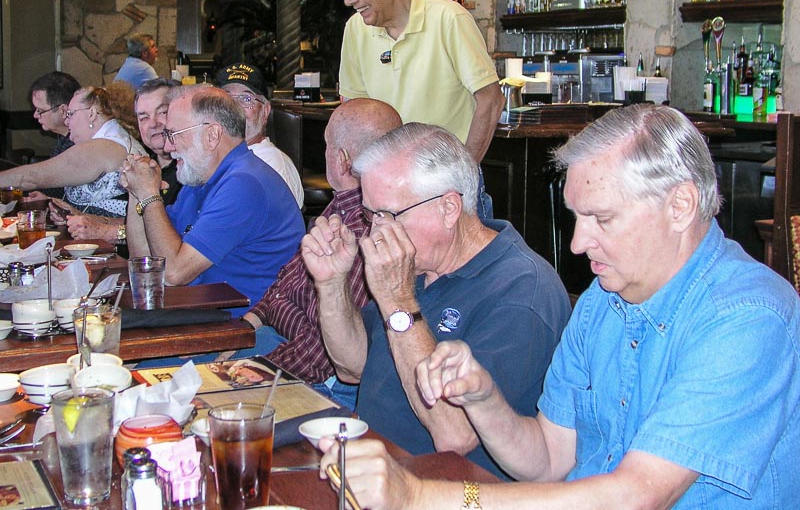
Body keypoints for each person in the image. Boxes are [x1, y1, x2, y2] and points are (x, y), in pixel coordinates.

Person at [318, 105, 800, 509]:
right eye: (576, 217)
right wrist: (485, 400)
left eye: (601, 218)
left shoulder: (749, 316)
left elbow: (635, 496)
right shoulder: (602, 302)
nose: (576, 243)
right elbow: (548, 457)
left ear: (680, 206)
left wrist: (420, 496)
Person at [303, 122, 571, 477]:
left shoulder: (522, 293)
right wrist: (332, 283)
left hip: (448, 489)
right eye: (371, 215)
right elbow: (351, 367)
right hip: (371, 468)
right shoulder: (418, 264)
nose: (376, 232)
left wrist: (398, 302)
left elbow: (455, 433)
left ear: (449, 208)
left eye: (390, 215)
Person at [239, 98, 403, 409]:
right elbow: (284, 281)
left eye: (327, 146)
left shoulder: (367, 225)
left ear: (341, 160)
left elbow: (319, 358)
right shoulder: (341, 203)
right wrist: (248, 325)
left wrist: (246, 371)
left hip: (307, 377)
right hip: (269, 337)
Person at [121, 85, 305, 317]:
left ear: (212, 135)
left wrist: (149, 194)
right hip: (200, 315)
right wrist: (135, 192)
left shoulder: (245, 185)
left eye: (174, 135)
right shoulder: (200, 179)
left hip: (241, 333)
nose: (168, 147)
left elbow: (175, 273)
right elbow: (146, 263)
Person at [333, 0, 504, 164]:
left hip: (442, 176)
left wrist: (464, 171)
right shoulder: (356, 28)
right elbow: (353, 110)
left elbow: (491, 100)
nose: (348, 0)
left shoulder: (449, 18)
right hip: (385, 177)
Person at [61, 78, 183, 242]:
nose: (153, 124)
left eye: (162, 112)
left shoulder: (191, 171)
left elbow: (176, 234)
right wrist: (79, 215)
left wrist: (106, 233)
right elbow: (133, 222)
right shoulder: (143, 163)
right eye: (143, 117)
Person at [0, 85, 146, 217]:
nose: (66, 121)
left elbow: (32, 177)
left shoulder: (102, 147)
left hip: (116, 241)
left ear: (92, 114)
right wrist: (53, 201)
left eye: (70, 114)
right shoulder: (115, 137)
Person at [216, 62, 303, 207]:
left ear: (265, 111)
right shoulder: (228, 159)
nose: (235, 108)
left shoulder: (269, 164)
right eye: (227, 98)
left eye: (246, 99)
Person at [28, 71, 81, 199]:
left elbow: (62, 190)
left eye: (40, 110)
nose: (35, 115)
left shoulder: (78, 143)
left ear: (63, 110)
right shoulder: (63, 137)